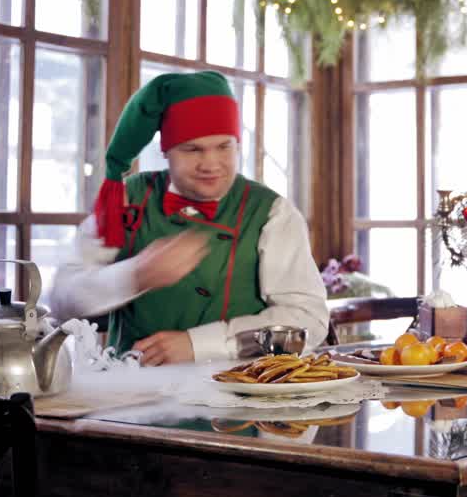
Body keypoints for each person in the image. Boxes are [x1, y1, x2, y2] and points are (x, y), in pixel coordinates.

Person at [51, 71, 328, 366]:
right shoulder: (126, 198)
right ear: (166, 151)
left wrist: (199, 345)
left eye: (224, 147)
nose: (210, 163)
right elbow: (62, 302)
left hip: (238, 397)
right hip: (128, 395)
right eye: (192, 149)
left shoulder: (273, 213)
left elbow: (307, 325)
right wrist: (135, 275)